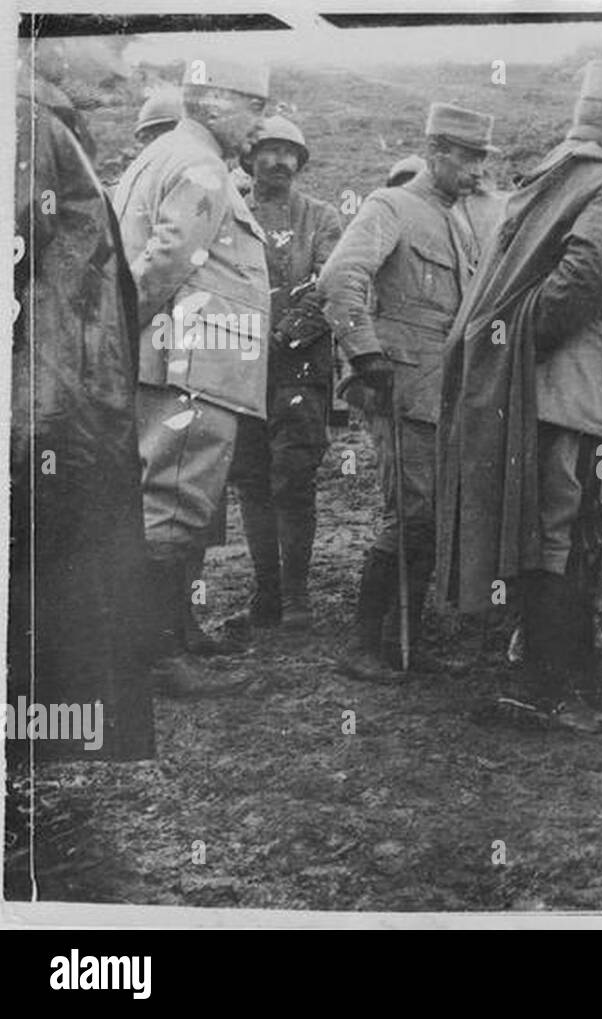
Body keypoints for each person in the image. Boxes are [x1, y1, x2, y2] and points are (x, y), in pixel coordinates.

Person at [437, 60, 602, 731]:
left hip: (572, 392)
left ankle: (578, 676)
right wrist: (524, 341)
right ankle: (546, 688)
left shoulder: (568, 175)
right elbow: (586, 277)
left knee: (578, 534)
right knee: (561, 538)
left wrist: (514, 349)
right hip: (580, 393)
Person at [9, 39, 155, 760]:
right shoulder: (30, 119)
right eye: (109, 45)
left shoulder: (46, 120)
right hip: (48, 384)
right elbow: (16, 240)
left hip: (62, 377)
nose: (122, 61)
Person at [320, 103, 502, 679]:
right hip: (401, 388)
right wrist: (366, 351)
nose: (477, 174)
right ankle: (363, 646)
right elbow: (341, 277)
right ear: (436, 153)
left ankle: (407, 639)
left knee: (430, 518)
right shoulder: (391, 206)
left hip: (447, 395)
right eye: (469, 160)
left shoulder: (463, 221)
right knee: (410, 516)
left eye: (482, 161)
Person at [113, 55, 271, 695]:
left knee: (166, 504)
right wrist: (126, 333)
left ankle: (169, 640)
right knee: (172, 510)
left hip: (178, 361)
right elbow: (166, 259)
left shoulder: (163, 157)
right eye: (254, 107)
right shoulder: (201, 165)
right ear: (215, 102)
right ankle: (156, 661)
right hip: (190, 366)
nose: (261, 123)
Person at [226, 116, 342, 631]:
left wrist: (282, 337)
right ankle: (266, 592)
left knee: (294, 479)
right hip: (242, 372)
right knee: (252, 481)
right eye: (267, 151)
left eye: (287, 152)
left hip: (300, 371)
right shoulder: (231, 215)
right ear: (249, 160)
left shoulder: (321, 218)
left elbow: (328, 284)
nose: (277, 161)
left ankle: (297, 597)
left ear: (300, 162)